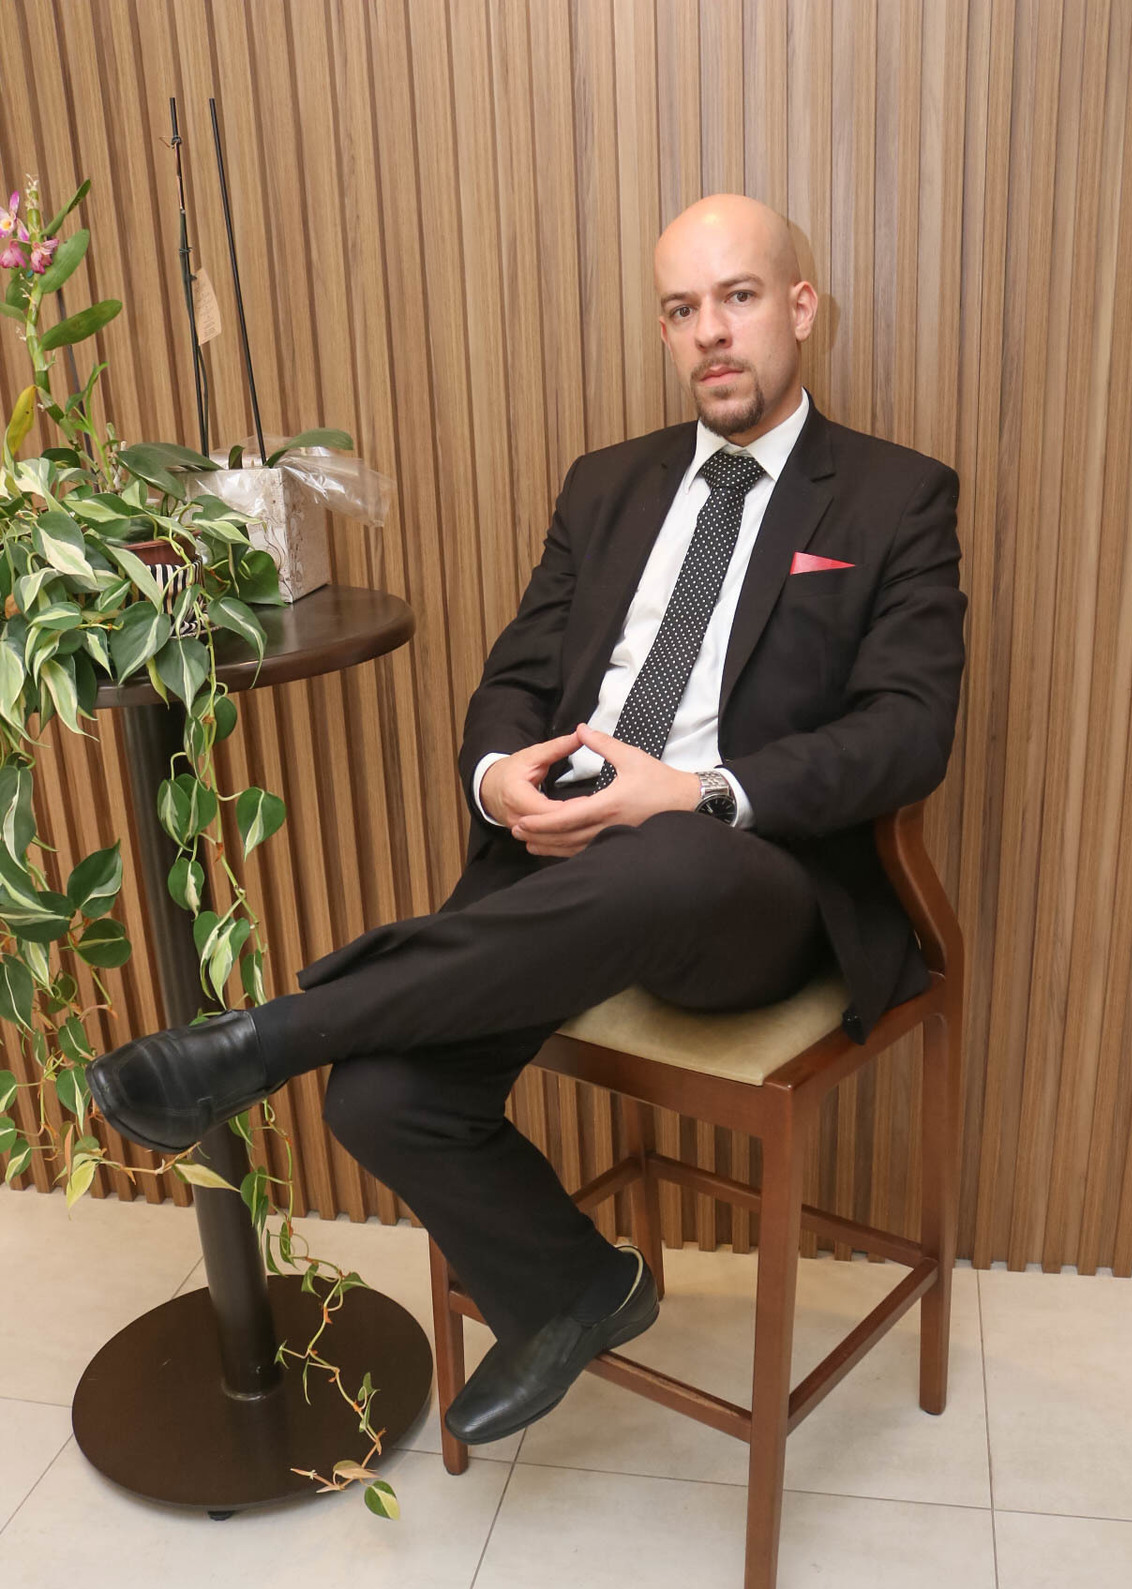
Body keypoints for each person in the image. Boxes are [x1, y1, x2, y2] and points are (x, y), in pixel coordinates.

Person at [86, 195, 967, 1446]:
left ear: (801, 307)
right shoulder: (608, 485)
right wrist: (499, 774)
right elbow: (517, 671)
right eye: (682, 310)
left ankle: (267, 1035)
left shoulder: (893, 495)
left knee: (667, 858)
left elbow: (908, 729)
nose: (711, 333)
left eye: (738, 298)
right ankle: (572, 1286)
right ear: (664, 331)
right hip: (559, 847)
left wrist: (693, 790)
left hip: (743, 874)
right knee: (379, 1096)